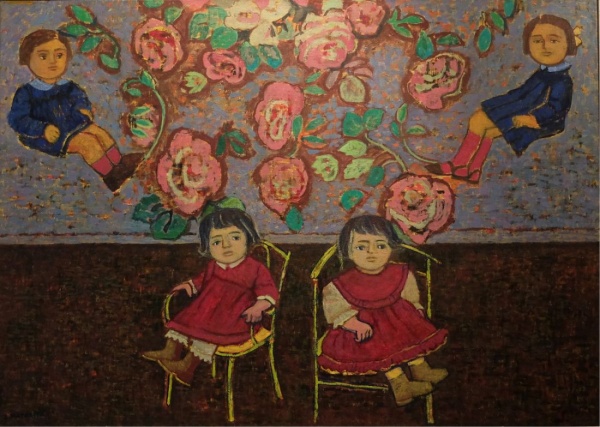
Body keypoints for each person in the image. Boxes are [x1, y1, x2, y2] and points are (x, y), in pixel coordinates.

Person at [426, 14, 581, 183]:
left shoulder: (561, 80)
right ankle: (473, 169)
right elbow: (521, 92)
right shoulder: (542, 73)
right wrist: (497, 105)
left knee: (478, 120)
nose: (545, 46)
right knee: (488, 129)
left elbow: (555, 108)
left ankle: (458, 164)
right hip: (522, 108)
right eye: (537, 41)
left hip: (540, 120)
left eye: (553, 40)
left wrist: (533, 118)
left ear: (568, 44)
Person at [318, 215, 448, 406]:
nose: (371, 252)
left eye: (380, 245)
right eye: (361, 247)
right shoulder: (341, 283)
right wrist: (353, 323)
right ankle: (401, 385)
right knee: (379, 345)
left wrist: (416, 311)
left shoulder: (399, 273)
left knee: (409, 334)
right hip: (364, 332)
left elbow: (410, 296)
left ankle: (420, 369)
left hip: (398, 323)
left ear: (391, 247)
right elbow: (335, 309)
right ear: (348, 251)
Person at [142, 208, 279, 386]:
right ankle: (171, 350)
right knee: (186, 319)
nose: (226, 245)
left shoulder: (255, 268)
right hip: (207, 312)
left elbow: (269, 291)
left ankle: (187, 367)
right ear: (208, 246)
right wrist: (190, 285)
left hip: (235, 319)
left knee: (206, 333)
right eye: (216, 241)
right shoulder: (214, 265)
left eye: (235, 238)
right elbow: (201, 280)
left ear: (248, 238)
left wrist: (259, 306)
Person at [7, 29, 142, 193]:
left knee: (99, 133)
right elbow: (17, 119)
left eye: (59, 55)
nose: (53, 62)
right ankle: (110, 175)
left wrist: (83, 109)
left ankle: (119, 164)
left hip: (72, 124)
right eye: (43, 56)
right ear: (27, 59)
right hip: (49, 135)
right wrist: (42, 129)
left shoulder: (68, 86)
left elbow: (80, 98)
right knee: (87, 143)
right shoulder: (26, 93)